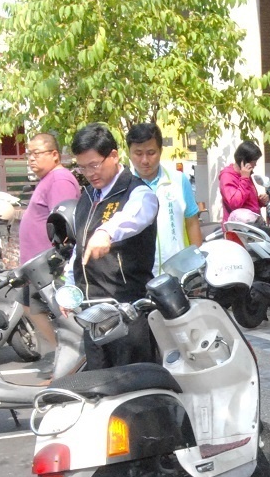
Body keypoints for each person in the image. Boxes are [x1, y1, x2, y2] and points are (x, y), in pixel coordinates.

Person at [65, 123, 160, 369]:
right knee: (99, 389)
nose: (90, 173)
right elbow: (80, 247)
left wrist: (106, 231)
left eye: (94, 165)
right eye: (83, 167)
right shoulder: (87, 196)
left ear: (114, 156)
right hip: (92, 313)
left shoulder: (138, 193)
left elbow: (134, 216)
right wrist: (68, 288)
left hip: (126, 312)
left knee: (132, 388)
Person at [19, 132, 80, 348]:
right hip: (37, 267)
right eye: (29, 155)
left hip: (49, 267)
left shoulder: (59, 179)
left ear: (55, 154)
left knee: (56, 313)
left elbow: (64, 223)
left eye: (37, 153)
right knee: (29, 308)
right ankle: (61, 352)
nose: (31, 159)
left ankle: (70, 356)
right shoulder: (48, 179)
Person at [125, 122, 202, 274]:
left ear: (160, 151)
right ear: (129, 152)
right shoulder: (123, 186)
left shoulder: (178, 180)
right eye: (138, 153)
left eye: (151, 152)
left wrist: (198, 268)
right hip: (136, 276)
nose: (145, 160)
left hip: (177, 273)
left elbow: (192, 223)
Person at [218, 140, 270, 218]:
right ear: (243, 161)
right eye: (253, 161)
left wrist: (260, 201)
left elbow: (247, 203)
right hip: (239, 226)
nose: (255, 164)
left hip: (253, 222)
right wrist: (244, 179)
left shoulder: (246, 174)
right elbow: (234, 203)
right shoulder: (227, 176)